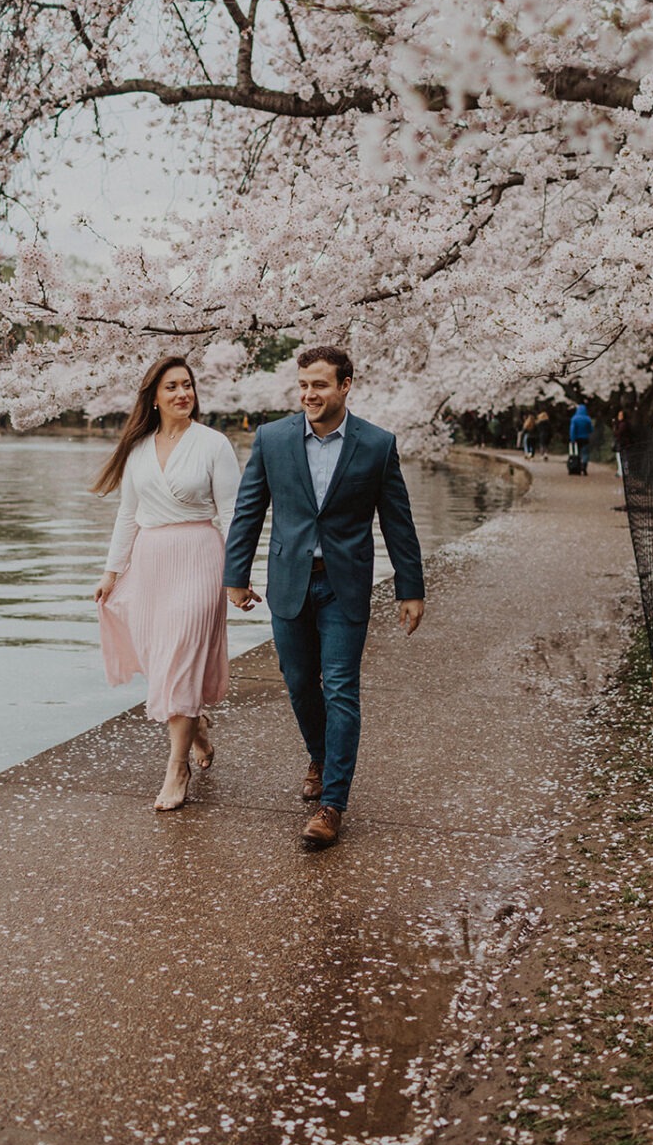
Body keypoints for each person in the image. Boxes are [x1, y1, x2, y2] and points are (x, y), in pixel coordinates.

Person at [223, 346, 425, 851]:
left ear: (346, 385)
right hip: (289, 582)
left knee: (339, 687)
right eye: (304, 385)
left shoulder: (377, 445)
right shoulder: (272, 439)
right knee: (297, 683)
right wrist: (236, 574)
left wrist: (411, 587)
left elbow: (397, 520)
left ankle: (332, 803)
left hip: (344, 584)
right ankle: (319, 755)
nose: (310, 394)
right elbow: (249, 511)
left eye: (320, 385)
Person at [93, 356, 241, 812]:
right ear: (154, 398)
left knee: (180, 652)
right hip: (151, 561)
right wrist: (111, 571)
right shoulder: (138, 450)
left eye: (188, 386)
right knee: (164, 659)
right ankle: (194, 724)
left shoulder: (214, 445)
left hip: (200, 556)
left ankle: (177, 769)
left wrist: (238, 576)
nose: (182, 394)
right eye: (172, 387)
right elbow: (127, 515)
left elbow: (235, 513)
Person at [568, 401, 594, 475]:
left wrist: (572, 438)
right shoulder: (587, 419)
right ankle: (584, 467)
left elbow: (572, 430)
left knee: (577, 453)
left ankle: (578, 468)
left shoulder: (574, 418)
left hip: (577, 438)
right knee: (585, 453)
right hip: (585, 438)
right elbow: (591, 429)